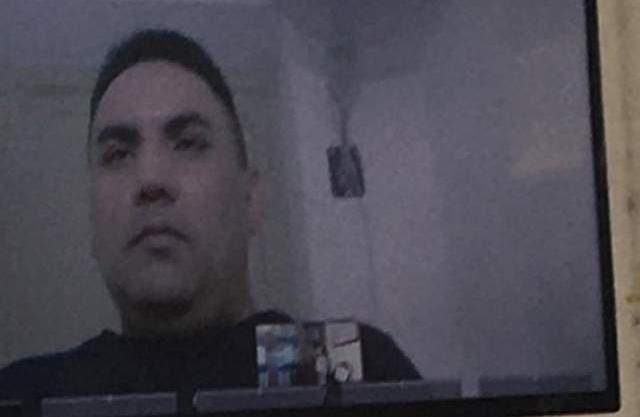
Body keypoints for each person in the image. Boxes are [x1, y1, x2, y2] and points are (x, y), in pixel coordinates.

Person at [0, 29, 419, 400]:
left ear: (250, 199)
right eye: (118, 154)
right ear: (93, 219)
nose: (151, 179)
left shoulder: (350, 368)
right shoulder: (28, 394)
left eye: (187, 143)